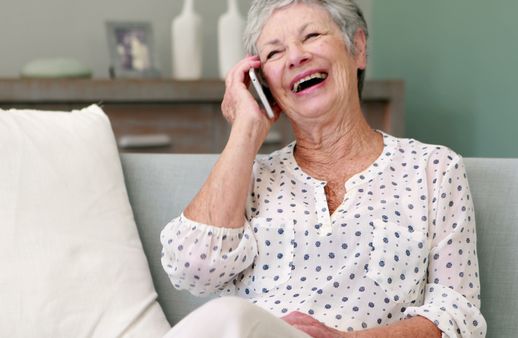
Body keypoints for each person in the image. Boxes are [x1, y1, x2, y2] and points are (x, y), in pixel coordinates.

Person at [160, 0, 487, 337]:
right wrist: (247, 128)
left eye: (312, 35)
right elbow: (192, 269)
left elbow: (456, 317)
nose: (295, 57)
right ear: (264, 84)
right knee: (229, 316)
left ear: (357, 48)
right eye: (274, 54)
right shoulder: (248, 179)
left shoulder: (433, 170)